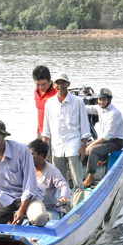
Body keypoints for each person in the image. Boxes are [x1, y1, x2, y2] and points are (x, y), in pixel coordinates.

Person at [42, 73, 91, 207]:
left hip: (74, 146)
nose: (60, 86)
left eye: (63, 83)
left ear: (68, 84)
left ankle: (78, 208)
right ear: (54, 85)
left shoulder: (78, 102)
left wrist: (83, 146)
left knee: (78, 182)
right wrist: (44, 151)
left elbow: (85, 127)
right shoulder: (49, 103)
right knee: (60, 182)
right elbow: (46, 130)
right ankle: (64, 209)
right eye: (57, 83)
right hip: (56, 148)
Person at [83, 88, 123, 188]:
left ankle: (91, 176)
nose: (101, 102)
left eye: (104, 100)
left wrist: (90, 146)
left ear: (109, 100)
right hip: (105, 140)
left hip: (116, 141)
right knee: (82, 146)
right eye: (100, 100)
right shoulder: (99, 108)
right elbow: (87, 108)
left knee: (93, 149)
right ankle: (81, 172)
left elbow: (107, 136)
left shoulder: (114, 113)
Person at [28, 139, 70, 220]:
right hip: (31, 207)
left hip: (49, 209)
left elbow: (64, 186)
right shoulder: (26, 168)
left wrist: (63, 197)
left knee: (46, 223)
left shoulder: (52, 171)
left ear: (41, 155)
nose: (28, 157)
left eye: (32, 154)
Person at [33, 66, 57, 139]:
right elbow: (39, 112)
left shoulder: (57, 92)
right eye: (38, 84)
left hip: (54, 134)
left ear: (50, 79)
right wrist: (37, 133)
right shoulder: (36, 91)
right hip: (41, 133)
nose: (41, 87)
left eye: (43, 84)